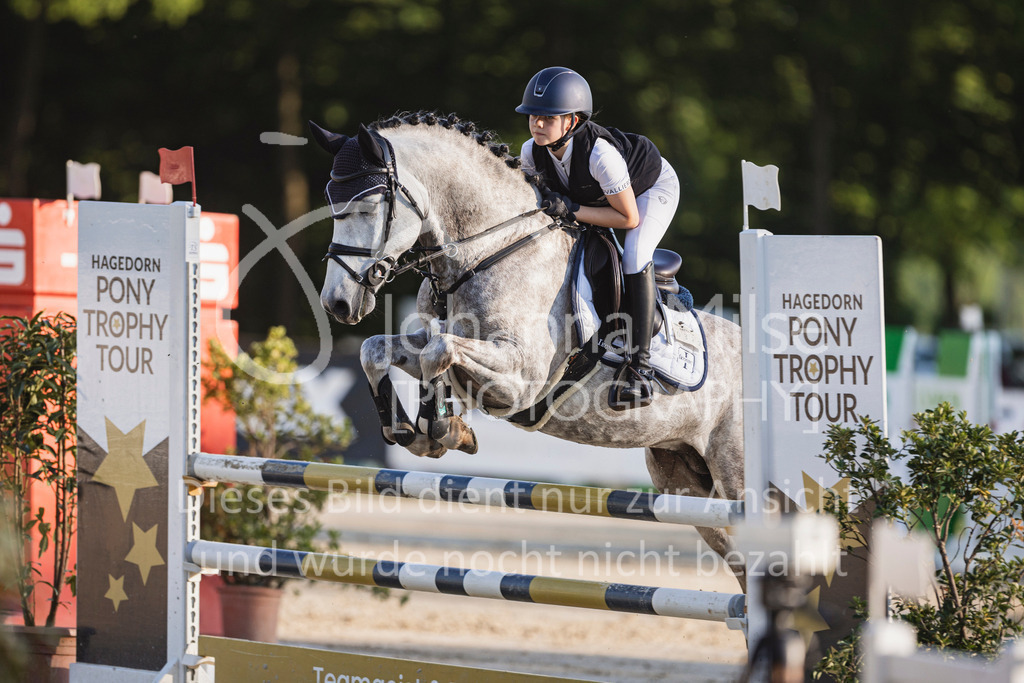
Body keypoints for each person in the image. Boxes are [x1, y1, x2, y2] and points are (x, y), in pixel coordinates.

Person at [516, 66, 681, 409]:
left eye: (549, 117)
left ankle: (641, 369)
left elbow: (626, 217)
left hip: (650, 189)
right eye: (534, 115)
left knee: (635, 255)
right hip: (598, 199)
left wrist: (572, 209)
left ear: (573, 121)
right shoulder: (530, 153)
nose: (537, 123)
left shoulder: (600, 155)